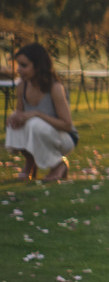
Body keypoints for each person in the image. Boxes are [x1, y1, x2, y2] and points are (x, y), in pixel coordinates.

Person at [6, 43, 75, 182]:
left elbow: (67, 125)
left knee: (34, 124)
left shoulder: (55, 88)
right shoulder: (22, 86)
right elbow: (20, 114)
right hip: (40, 132)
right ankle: (30, 163)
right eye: (18, 65)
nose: (18, 69)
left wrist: (37, 114)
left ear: (38, 66)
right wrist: (15, 117)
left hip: (64, 138)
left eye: (23, 65)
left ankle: (59, 165)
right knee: (15, 121)